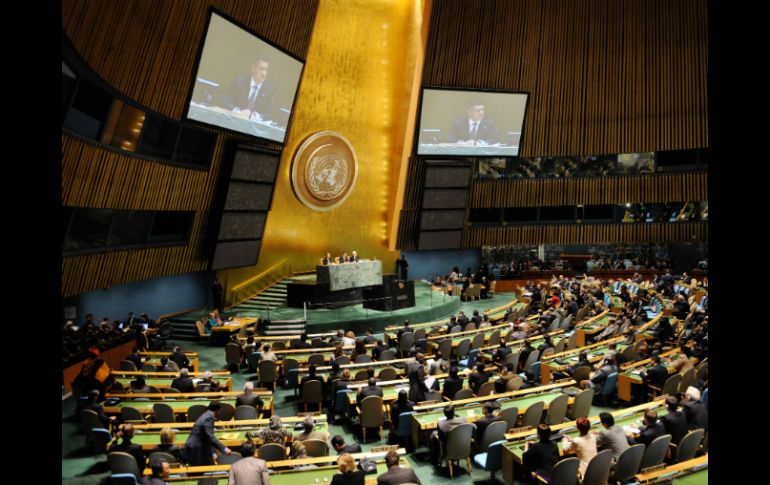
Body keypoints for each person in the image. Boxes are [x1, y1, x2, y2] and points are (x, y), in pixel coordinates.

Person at [220, 52, 274, 122]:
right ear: (253, 69)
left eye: (266, 70)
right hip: (233, 121)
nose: (264, 73)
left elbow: (269, 114)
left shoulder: (268, 90)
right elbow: (224, 101)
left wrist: (254, 115)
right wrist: (238, 112)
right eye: (261, 69)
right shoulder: (239, 81)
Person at [183, 401, 231, 465]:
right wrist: (224, 449)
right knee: (202, 471)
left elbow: (206, 436)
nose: (220, 412)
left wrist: (212, 452)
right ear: (217, 410)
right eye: (219, 411)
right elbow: (210, 437)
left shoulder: (206, 415)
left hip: (196, 447)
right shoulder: (208, 418)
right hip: (196, 449)